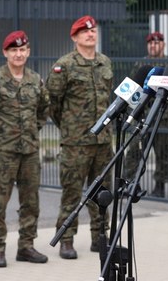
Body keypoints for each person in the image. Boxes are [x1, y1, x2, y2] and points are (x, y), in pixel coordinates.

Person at [0, 31, 50, 268]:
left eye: (22, 50)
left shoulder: (36, 80)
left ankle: (26, 246)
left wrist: (30, 132)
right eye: (13, 50)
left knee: (31, 201)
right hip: (2, 153)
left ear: (28, 52)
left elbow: (43, 110)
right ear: (5, 53)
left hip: (29, 151)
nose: (18, 54)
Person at [46, 15, 114, 260]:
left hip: (103, 142)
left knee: (103, 192)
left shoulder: (105, 62)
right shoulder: (64, 65)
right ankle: (66, 240)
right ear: (74, 37)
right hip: (76, 142)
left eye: (93, 31)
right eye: (84, 32)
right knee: (72, 193)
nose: (90, 34)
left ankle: (100, 238)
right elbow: (52, 102)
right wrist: (69, 127)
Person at [123, 31, 168, 197]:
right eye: (150, 43)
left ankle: (159, 185)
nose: (153, 46)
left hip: (163, 116)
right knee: (134, 151)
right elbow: (135, 86)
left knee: (162, 153)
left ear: (163, 44)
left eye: (157, 42)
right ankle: (130, 182)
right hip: (143, 115)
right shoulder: (141, 63)